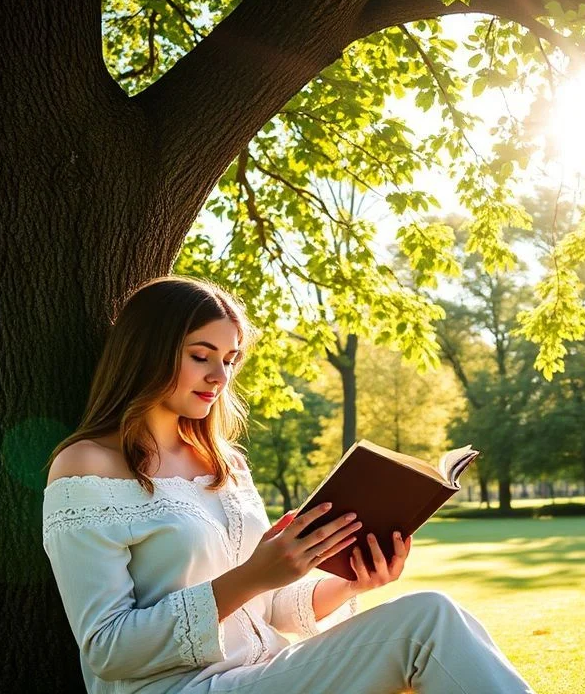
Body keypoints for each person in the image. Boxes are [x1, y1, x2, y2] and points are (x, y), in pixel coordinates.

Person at [42, 276, 533, 694]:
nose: (220, 376)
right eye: (201, 355)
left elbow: (269, 606)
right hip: (182, 688)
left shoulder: (225, 463)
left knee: (434, 613)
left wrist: (347, 582)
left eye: (231, 359)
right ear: (148, 351)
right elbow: (108, 650)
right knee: (428, 621)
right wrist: (252, 575)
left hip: (262, 672)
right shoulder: (88, 465)